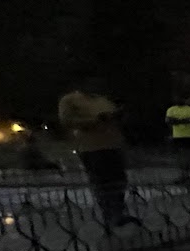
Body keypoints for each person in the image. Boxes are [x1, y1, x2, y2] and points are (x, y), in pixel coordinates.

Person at [57, 71, 139, 228]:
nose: (95, 85)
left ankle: (118, 211)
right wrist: (94, 120)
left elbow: (115, 120)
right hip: (91, 147)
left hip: (112, 144)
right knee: (102, 181)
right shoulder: (70, 100)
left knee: (119, 180)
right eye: (91, 81)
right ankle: (109, 214)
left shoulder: (103, 100)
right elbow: (66, 121)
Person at [164, 93, 190, 182]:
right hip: (178, 136)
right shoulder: (171, 109)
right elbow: (169, 121)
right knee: (181, 157)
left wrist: (178, 120)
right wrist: (186, 121)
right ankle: (185, 176)